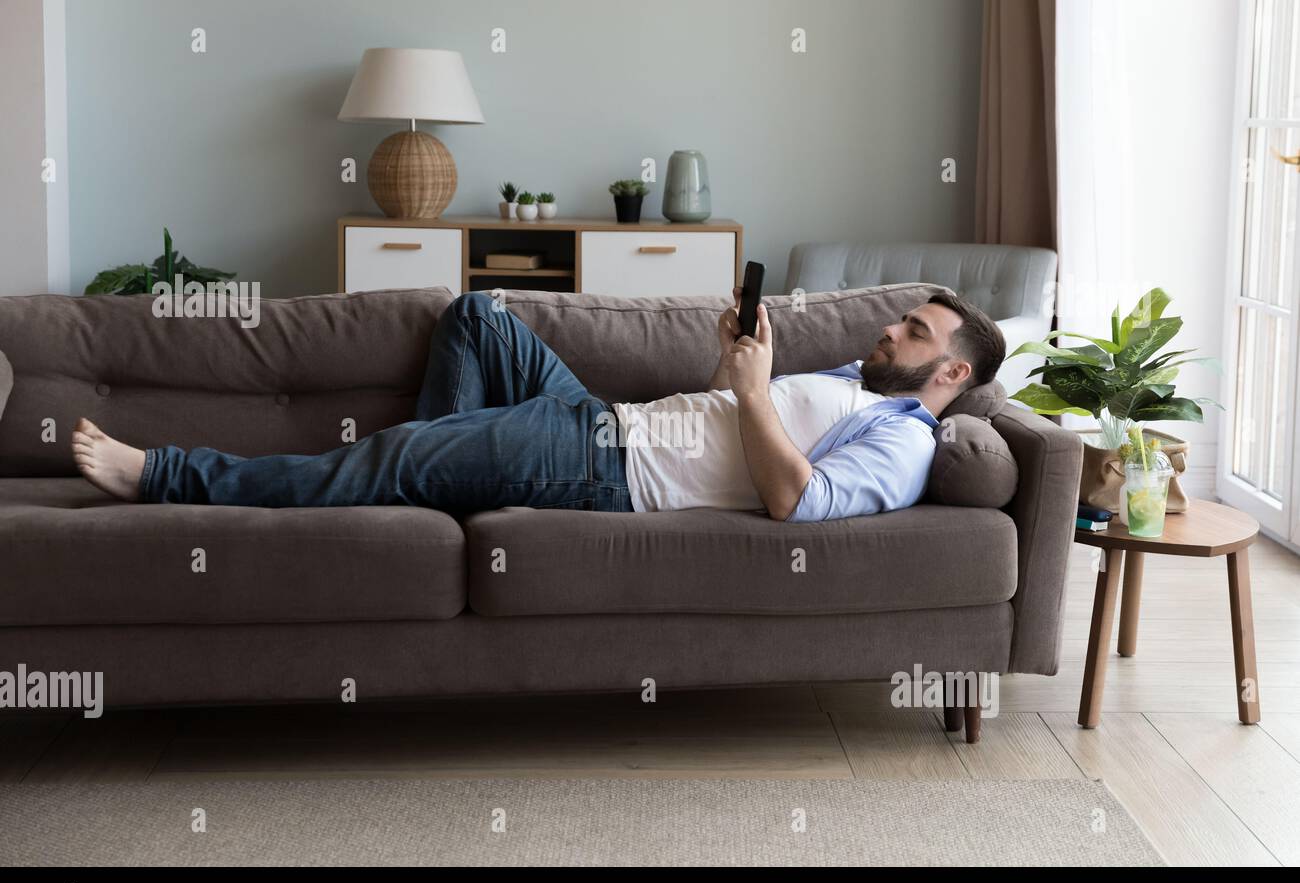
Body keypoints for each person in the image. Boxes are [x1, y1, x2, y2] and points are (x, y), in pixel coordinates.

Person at [71, 287, 1004, 522]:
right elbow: (734, 426)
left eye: (916, 334)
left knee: (387, 460)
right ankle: (447, 466)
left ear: (952, 375)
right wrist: (736, 367)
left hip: (603, 467)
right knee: (478, 317)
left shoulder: (905, 446)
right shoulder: (851, 378)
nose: (891, 331)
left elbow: (792, 498)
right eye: (900, 321)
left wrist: (755, 394)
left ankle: (161, 472)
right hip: (604, 418)